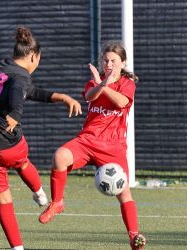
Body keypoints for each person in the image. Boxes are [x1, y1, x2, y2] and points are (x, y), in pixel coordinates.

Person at [0, 26, 82, 250]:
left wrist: (61, 97)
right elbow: (18, 94)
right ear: (33, 56)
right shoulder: (20, 76)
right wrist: (15, 115)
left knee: (3, 200)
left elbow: (28, 91)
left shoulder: (2, 68)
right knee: (22, 163)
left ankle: (17, 248)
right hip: (10, 143)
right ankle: (39, 193)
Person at [38, 42, 146, 250]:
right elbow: (90, 96)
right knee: (60, 156)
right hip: (87, 140)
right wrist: (101, 83)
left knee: (124, 193)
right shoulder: (93, 83)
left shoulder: (127, 83)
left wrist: (104, 84)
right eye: (105, 60)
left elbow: (122, 102)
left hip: (113, 147)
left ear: (122, 63)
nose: (109, 64)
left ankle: (134, 236)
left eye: (113, 60)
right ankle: (57, 202)